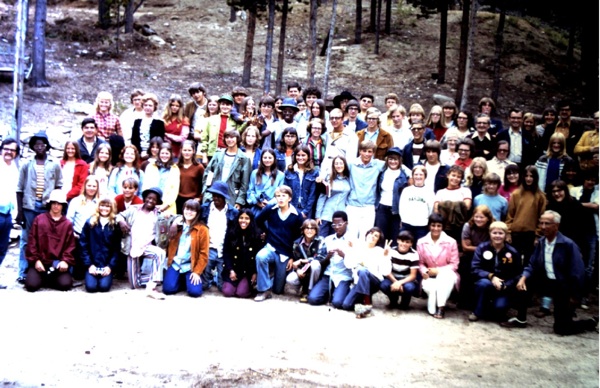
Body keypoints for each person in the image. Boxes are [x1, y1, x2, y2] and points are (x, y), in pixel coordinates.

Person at [512, 211, 597, 334]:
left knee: (562, 329)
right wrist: (523, 278)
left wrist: (575, 295)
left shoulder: (568, 245)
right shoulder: (541, 242)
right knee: (521, 281)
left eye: (547, 223)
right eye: (541, 223)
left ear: (556, 225)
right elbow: (532, 264)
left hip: (563, 286)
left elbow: (578, 273)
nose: (543, 227)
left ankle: (591, 322)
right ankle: (520, 319)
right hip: (546, 281)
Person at [17, 132, 63, 284]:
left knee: (46, 238)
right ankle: (23, 271)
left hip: (46, 207)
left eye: (42, 144)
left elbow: (58, 186)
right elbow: (20, 189)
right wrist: (20, 212)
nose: (39, 147)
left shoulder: (54, 164)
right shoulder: (27, 164)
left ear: (47, 146)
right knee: (26, 238)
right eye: (36, 145)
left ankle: (45, 270)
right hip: (29, 206)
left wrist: (56, 206)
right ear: (32, 147)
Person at [470, 221, 527, 325]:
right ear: (490, 233)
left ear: (505, 235)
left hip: (504, 287)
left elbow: (518, 273)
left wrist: (506, 285)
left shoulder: (513, 252)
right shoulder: (482, 248)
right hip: (487, 282)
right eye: (494, 233)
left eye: (501, 233)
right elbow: (475, 268)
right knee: (483, 284)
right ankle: (477, 312)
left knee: (499, 310)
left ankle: (493, 307)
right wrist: (491, 277)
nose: (497, 236)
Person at [254, 185, 304, 301]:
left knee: (278, 290)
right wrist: (265, 231)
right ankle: (263, 290)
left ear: (290, 198)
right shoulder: (270, 209)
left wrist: (292, 257)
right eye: (278, 196)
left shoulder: (297, 215)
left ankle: (270, 279)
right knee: (260, 256)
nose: (280, 199)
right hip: (271, 247)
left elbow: (298, 238)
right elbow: (258, 221)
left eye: (283, 196)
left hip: (285, 253)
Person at [117, 187, 167, 299]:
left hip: (147, 247)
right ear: (144, 198)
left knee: (159, 253)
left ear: (157, 202)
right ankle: (155, 279)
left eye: (154, 200)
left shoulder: (158, 215)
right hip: (133, 247)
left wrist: (174, 223)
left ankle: (152, 286)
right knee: (135, 285)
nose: (151, 201)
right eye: (149, 198)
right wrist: (121, 221)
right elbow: (119, 215)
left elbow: (177, 218)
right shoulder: (134, 210)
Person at [24, 190, 75, 292]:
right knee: (31, 286)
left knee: (65, 285)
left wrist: (65, 261)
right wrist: (36, 260)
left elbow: (70, 246)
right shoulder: (39, 219)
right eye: (54, 203)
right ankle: (42, 277)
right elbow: (32, 242)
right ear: (50, 204)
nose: (56, 206)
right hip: (40, 262)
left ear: (63, 206)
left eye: (59, 204)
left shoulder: (67, 224)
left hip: (57, 264)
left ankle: (48, 278)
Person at [307, 211, 354, 308]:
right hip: (329, 275)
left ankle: (340, 292)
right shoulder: (328, 239)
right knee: (312, 299)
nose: (337, 227)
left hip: (344, 276)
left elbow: (356, 263)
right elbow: (321, 262)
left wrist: (344, 256)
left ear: (347, 223)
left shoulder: (352, 240)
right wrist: (328, 257)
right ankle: (330, 293)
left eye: (340, 224)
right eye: (334, 224)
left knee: (337, 303)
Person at [342, 227, 392, 317]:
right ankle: (363, 304)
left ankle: (366, 302)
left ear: (378, 240)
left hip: (374, 281)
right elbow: (348, 265)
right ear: (366, 235)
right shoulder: (357, 247)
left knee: (363, 271)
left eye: (376, 236)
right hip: (360, 282)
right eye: (371, 233)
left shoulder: (380, 251)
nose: (372, 236)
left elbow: (385, 272)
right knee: (346, 305)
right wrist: (350, 250)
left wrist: (385, 256)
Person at [417, 213, 460, 319]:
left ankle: (441, 307)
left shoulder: (451, 242)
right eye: (433, 225)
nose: (435, 228)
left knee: (444, 276)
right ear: (429, 226)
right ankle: (433, 306)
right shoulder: (421, 242)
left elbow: (454, 264)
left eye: (439, 226)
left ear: (443, 227)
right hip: (430, 275)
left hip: (448, 274)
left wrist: (438, 271)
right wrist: (424, 272)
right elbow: (420, 263)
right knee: (431, 291)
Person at [163, 200, 209, 297]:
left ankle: (187, 280)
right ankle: (180, 279)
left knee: (195, 292)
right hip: (176, 263)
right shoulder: (176, 225)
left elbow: (204, 254)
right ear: (183, 209)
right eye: (187, 209)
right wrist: (174, 223)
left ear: (197, 213)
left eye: (193, 210)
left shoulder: (202, 229)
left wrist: (197, 272)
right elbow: (163, 217)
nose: (189, 212)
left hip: (190, 266)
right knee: (168, 289)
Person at [199, 181, 239, 291]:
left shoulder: (233, 212)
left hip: (224, 249)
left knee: (223, 287)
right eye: (214, 195)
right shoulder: (205, 209)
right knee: (204, 285)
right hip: (209, 247)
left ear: (224, 197)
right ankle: (208, 279)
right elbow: (191, 220)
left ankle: (218, 278)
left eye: (219, 196)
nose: (215, 198)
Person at [506, 165, 547, 266]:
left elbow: (541, 217)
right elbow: (510, 215)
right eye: (526, 176)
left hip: (531, 234)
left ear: (535, 178)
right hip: (516, 233)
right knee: (514, 261)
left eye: (531, 176)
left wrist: (537, 235)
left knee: (529, 262)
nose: (528, 179)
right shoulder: (516, 194)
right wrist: (508, 232)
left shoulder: (540, 196)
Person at [79, 197, 122, 293]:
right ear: (98, 207)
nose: (104, 208)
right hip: (92, 264)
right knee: (91, 287)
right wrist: (89, 265)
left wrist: (110, 266)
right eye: (102, 205)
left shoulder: (115, 224)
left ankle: (107, 276)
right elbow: (83, 245)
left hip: (106, 265)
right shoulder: (90, 222)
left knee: (104, 287)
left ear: (112, 208)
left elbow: (116, 248)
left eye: (108, 206)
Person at [346, 140, 386, 240]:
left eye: (370, 151)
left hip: (369, 206)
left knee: (366, 237)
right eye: (364, 151)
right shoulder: (351, 164)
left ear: (373, 153)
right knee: (351, 236)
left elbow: (397, 165)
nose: (367, 154)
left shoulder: (377, 164)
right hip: (352, 205)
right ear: (360, 151)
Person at [202, 130, 251, 209]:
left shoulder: (244, 158)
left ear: (237, 139)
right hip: (214, 195)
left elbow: (244, 183)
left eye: (232, 137)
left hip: (231, 197)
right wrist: (206, 192)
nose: (229, 140)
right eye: (227, 137)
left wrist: (239, 201)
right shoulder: (218, 155)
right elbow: (208, 174)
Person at [221, 209, 263, 298]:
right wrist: (231, 270)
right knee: (227, 292)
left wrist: (255, 273)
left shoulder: (256, 234)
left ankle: (244, 285)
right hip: (233, 269)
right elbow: (226, 252)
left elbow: (257, 255)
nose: (243, 221)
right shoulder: (231, 232)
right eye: (241, 218)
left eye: (247, 218)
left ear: (251, 220)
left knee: (241, 293)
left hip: (247, 271)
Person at [460, 205, 494, 309]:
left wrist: (474, 247)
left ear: (488, 218)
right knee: (466, 269)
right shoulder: (468, 226)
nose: (478, 219)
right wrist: (483, 248)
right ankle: (464, 301)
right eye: (476, 216)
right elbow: (465, 247)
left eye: (482, 217)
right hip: (470, 255)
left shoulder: (492, 227)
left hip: (487, 257)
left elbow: (493, 246)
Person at [374, 147, 411, 243]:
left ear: (400, 161)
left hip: (396, 210)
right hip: (382, 208)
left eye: (395, 159)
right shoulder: (382, 172)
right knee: (380, 236)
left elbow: (413, 173)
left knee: (394, 237)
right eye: (390, 159)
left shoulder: (403, 175)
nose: (393, 162)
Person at [66, 175, 100, 278]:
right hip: (78, 235)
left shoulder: (100, 202)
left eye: (94, 186)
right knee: (77, 274)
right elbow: (69, 220)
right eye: (89, 185)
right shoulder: (75, 201)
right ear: (84, 186)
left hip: (95, 236)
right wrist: (73, 233)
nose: (91, 188)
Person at [380, 231, 420, 310]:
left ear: (411, 244)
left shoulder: (414, 254)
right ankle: (393, 300)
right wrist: (396, 282)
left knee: (410, 288)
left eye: (407, 242)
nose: (404, 244)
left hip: (406, 280)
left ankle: (405, 302)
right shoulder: (391, 251)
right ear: (398, 240)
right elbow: (387, 271)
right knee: (383, 285)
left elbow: (413, 275)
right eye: (402, 241)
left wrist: (400, 283)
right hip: (392, 278)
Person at [286, 219, 324, 302]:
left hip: (316, 272)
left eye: (312, 228)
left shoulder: (321, 241)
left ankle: (310, 291)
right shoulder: (297, 243)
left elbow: (321, 257)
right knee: (290, 279)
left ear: (316, 230)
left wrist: (303, 261)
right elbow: (295, 262)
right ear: (303, 230)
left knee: (315, 264)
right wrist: (298, 270)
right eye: (307, 228)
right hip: (304, 271)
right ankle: (302, 289)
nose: (309, 231)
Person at [434, 165, 472, 243]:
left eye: (458, 177)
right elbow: (436, 209)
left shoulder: (465, 191)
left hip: (460, 227)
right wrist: (456, 206)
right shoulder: (440, 192)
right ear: (448, 175)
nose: (455, 178)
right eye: (453, 175)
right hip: (444, 227)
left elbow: (466, 206)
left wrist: (445, 206)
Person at [315, 156, 351, 238]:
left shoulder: (348, 179)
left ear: (345, 165)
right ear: (333, 165)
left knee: (335, 240)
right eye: (336, 163)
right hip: (326, 214)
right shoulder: (329, 178)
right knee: (321, 239)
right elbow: (322, 198)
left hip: (340, 217)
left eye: (341, 163)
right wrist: (318, 216)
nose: (339, 166)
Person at [0, 139, 19, 288]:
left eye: (12, 150)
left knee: (2, 247)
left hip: (7, 214)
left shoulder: (14, 168)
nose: (9, 152)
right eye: (6, 149)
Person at [399, 165, 435, 244]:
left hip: (422, 226)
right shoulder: (407, 190)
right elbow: (402, 207)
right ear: (413, 176)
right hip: (407, 224)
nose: (418, 177)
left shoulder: (429, 192)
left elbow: (431, 209)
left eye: (421, 174)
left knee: (419, 247)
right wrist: (403, 220)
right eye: (416, 174)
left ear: (425, 176)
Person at [319, 108, 359, 178]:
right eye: (332, 118)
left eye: (337, 118)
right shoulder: (327, 133)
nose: (334, 120)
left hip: (340, 172)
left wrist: (343, 174)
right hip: (326, 171)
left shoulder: (351, 135)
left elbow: (351, 159)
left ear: (342, 119)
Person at [201, 94, 239, 164]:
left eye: (227, 105)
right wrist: (204, 155)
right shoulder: (211, 119)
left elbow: (239, 133)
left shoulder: (235, 121)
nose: (225, 106)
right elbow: (204, 138)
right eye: (223, 104)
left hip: (229, 153)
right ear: (219, 105)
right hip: (213, 153)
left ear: (231, 106)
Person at [143, 143, 180, 215]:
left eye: (167, 153)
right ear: (159, 154)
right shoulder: (151, 166)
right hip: (150, 203)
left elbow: (175, 190)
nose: (164, 155)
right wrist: (148, 202)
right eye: (162, 153)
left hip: (168, 206)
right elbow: (146, 185)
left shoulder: (175, 169)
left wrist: (166, 205)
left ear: (171, 154)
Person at [284, 145, 319, 219]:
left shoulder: (314, 173)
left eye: (303, 155)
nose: (300, 158)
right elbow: (286, 191)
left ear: (308, 156)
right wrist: (291, 208)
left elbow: (312, 195)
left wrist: (305, 211)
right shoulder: (289, 171)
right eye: (298, 155)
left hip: (307, 209)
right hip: (291, 208)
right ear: (294, 156)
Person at [247, 148, 285, 216]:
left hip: (273, 208)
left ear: (274, 159)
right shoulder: (254, 173)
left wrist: (269, 203)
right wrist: (257, 203)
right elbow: (250, 191)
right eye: (265, 157)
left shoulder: (280, 175)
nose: (267, 160)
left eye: (270, 158)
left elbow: (281, 193)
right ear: (261, 159)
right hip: (256, 208)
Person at [131, 93, 165, 158]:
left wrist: (149, 153)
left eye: (150, 105)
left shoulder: (159, 122)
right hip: (138, 153)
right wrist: (139, 152)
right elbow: (134, 139)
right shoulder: (137, 121)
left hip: (153, 153)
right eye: (145, 105)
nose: (147, 107)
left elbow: (160, 140)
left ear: (154, 107)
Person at [176, 140, 204, 214]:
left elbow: (204, 185)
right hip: (178, 200)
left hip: (193, 201)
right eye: (185, 150)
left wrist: (199, 198)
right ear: (181, 151)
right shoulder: (176, 166)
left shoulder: (199, 167)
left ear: (193, 151)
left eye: (189, 150)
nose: (187, 152)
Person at [162, 94, 190, 159]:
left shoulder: (184, 120)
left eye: (177, 106)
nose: (174, 107)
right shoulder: (164, 118)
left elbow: (183, 138)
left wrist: (168, 135)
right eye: (172, 105)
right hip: (164, 151)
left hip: (177, 152)